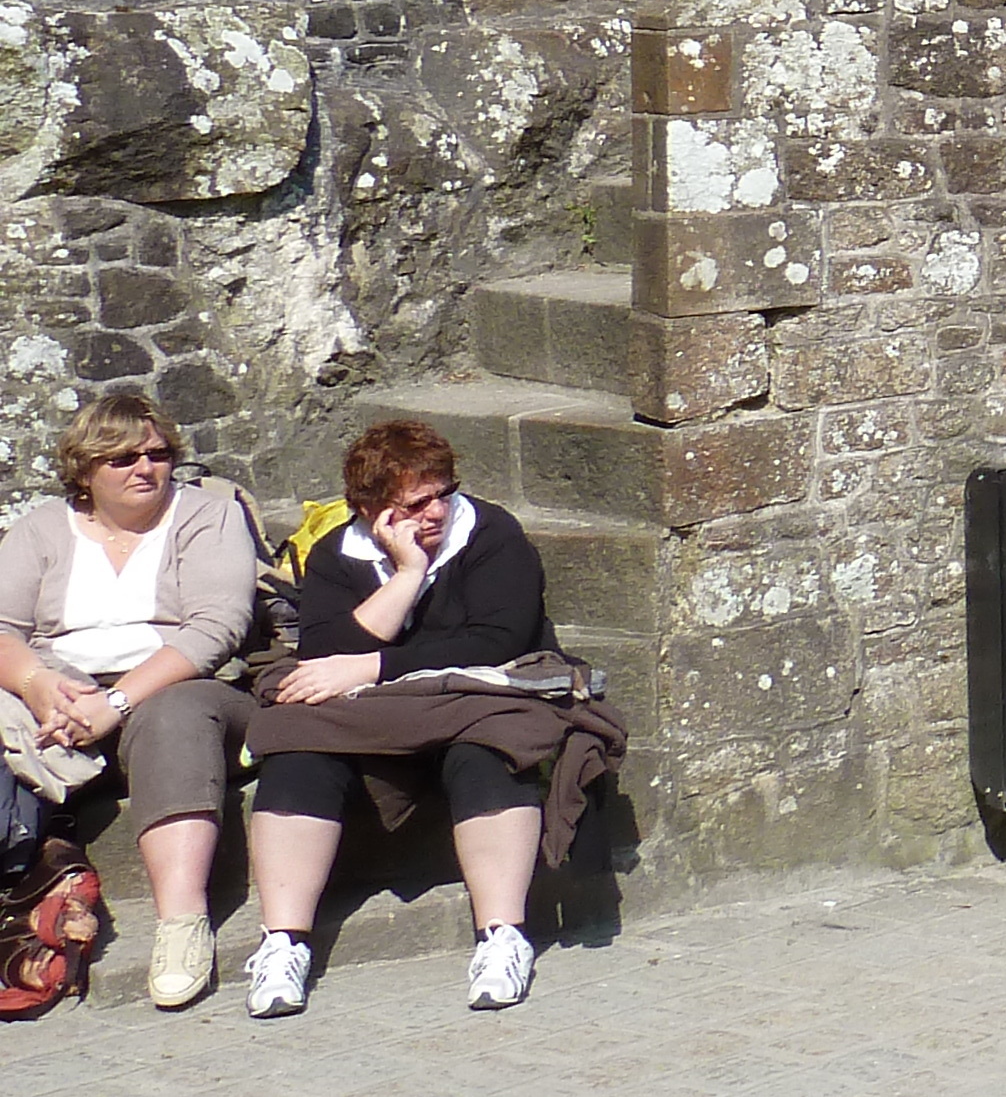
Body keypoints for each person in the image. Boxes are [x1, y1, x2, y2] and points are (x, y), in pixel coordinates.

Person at [241, 417, 603, 1020]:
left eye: (442, 493)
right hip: (380, 714)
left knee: (490, 748)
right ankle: (284, 944)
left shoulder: (490, 534)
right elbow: (325, 650)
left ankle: (503, 936)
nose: (435, 511)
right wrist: (407, 574)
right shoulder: (338, 554)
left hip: (473, 696)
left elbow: (497, 639)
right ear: (370, 510)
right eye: (415, 503)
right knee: (295, 745)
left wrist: (374, 667)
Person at [0, 391, 260, 1011]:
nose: (146, 468)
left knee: (176, 717)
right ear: (85, 471)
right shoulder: (41, 528)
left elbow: (214, 629)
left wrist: (113, 703)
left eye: (158, 454)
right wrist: (41, 687)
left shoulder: (207, 516)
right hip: (61, 686)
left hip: (176, 680)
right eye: (122, 458)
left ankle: (181, 925)